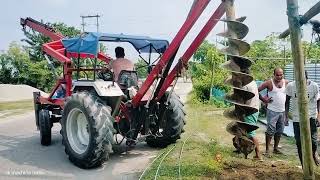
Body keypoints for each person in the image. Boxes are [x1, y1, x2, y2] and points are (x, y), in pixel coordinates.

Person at [285, 71, 320, 166]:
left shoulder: (314, 86)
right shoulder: (291, 86)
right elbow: (287, 101)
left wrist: (319, 116)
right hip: (297, 118)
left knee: (313, 141)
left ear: (307, 78)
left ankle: (314, 153)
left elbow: (318, 101)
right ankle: (304, 165)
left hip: (311, 116)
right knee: (299, 142)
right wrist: (286, 116)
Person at [258, 68, 289, 156]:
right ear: (274, 74)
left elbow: (289, 96)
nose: (279, 76)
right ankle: (267, 150)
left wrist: (286, 115)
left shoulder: (286, 82)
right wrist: (263, 99)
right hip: (272, 111)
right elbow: (256, 90)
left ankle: (275, 148)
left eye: (281, 74)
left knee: (280, 131)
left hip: (282, 111)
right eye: (277, 75)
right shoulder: (269, 83)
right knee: (270, 130)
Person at [242, 80, 262, 161]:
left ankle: (258, 155)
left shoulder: (246, 86)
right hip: (253, 109)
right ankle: (243, 149)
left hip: (250, 110)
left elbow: (244, 100)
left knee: (251, 133)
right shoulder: (252, 82)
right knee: (246, 131)